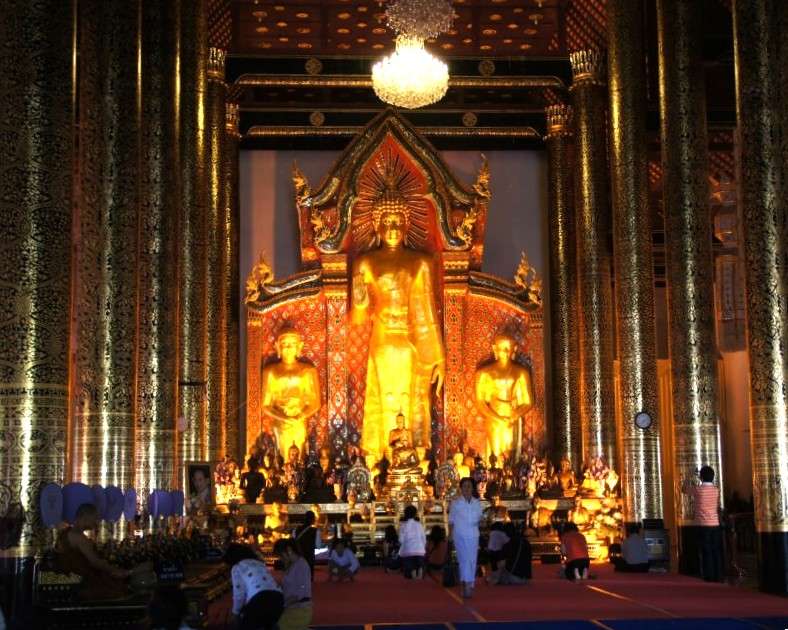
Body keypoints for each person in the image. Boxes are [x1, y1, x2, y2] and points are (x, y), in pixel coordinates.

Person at [54, 503, 130, 600]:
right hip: (80, 580)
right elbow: (95, 562)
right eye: (95, 518)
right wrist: (114, 569)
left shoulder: (66, 533)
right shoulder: (79, 538)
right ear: (86, 517)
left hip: (69, 578)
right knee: (117, 588)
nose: (96, 522)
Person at [224, 543, 283, 630]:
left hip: (259, 599)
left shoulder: (237, 567)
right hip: (278, 598)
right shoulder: (259, 564)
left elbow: (239, 594)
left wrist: (235, 613)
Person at [682, 465, 723, 582]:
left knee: (706, 551)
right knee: (715, 550)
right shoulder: (716, 490)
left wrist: (688, 475)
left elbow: (684, 489)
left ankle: (708, 575)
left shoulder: (698, 490)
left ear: (701, 477)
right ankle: (718, 575)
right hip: (715, 524)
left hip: (702, 524)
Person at [449, 477, 483, 598]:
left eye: (469, 486)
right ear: (461, 488)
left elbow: (480, 517)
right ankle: (466, 585)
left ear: (473, 488)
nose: (467, 488)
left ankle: (469, 583)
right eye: (464, 486)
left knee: (472, 559)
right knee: (463, 560)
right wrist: (450, 536)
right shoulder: (456, 503)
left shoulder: (477, 502)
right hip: (460, 535)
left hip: (473, 534)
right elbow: (451, 520)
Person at [274, 539, 313, 630]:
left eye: (281, 555)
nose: (280, 559)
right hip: (291, 608)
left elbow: (300, 594)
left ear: (289, 550)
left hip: (298, 610)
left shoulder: (301, 565)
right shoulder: (292, 565)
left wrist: (282, 605)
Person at [398, 505, 426, 579]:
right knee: (419, 564)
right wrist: (423, 547)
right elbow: (423, 538)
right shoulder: (419, 525)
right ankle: (420, 573)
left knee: (411, 565)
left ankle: (413, 574)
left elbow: (401, 540)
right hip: (420, 550)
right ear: (415, 514)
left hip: (408, 550)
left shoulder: (403, 525)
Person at [294, 510, 319, 577]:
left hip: (299, 556)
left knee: (299, 576)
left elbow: (294, 542)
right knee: (309, 577)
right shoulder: (315, 531)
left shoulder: (296, 529)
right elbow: (318, 545)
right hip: (309, 557)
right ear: (313, 519)